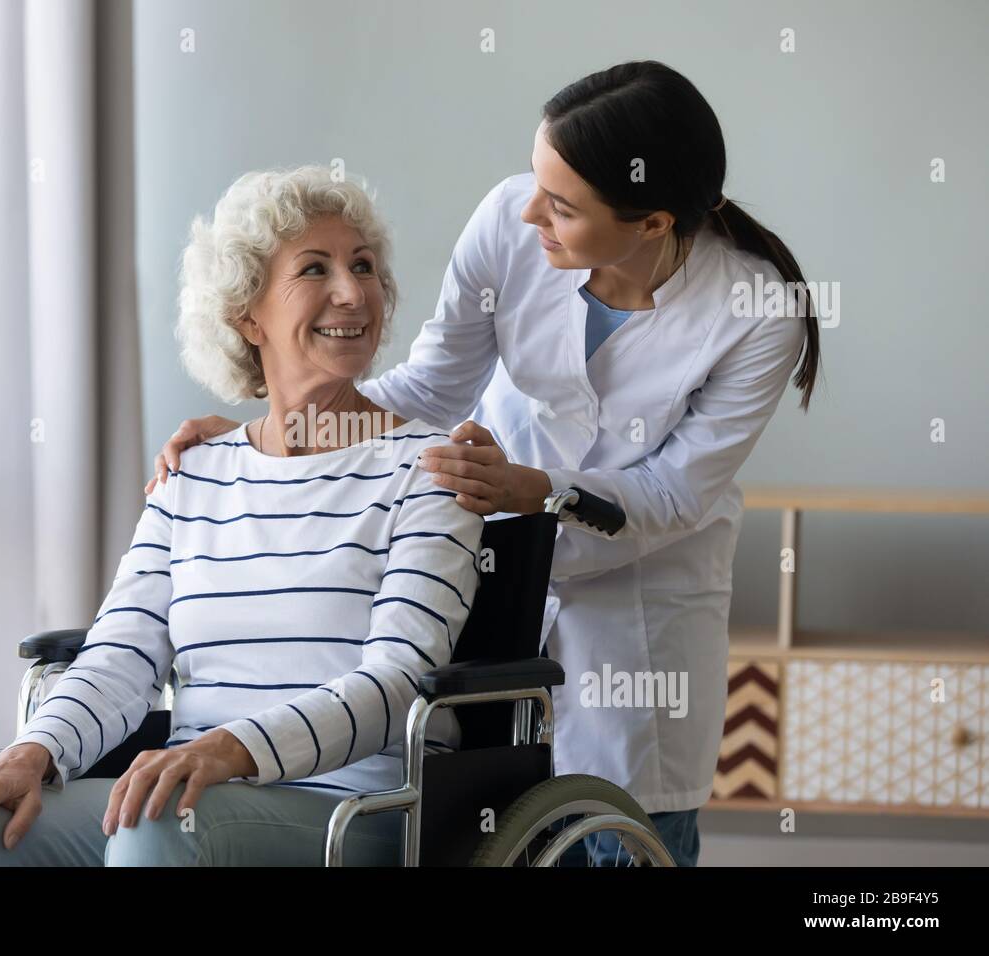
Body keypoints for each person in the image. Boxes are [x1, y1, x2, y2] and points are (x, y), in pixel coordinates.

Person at [144, 61, 822, 867]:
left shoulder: (755, 313)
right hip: (486, 573)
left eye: (562, 207)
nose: (529, 207)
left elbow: (674, 495)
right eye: (537, 181)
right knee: (487, 816)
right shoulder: (509, 221)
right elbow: (432, 386)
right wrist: (284, 429)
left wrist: (537, 491)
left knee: (619, 829)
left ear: (650, 223)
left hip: (637, 620)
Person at [0, 166, 483, 867]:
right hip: (193, 794)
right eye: (315, 269)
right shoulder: (196, 471)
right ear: (247, 314)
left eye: (363, 266)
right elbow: (120, 656)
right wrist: (34, 751)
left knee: (158, 822)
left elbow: (399, 679)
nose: (352, 291)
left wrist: (233, 749)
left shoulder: (430, 467)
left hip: (359, 807)